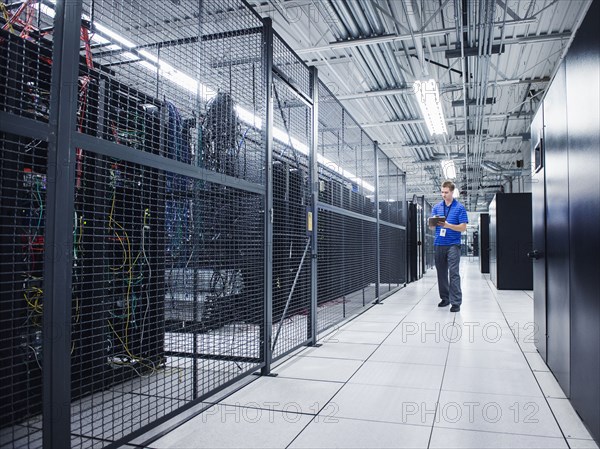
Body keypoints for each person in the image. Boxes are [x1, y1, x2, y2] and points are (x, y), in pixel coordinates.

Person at [429, 181, 468, 312]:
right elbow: (432, 226)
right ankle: (445, 299)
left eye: (446, 192)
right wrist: (432, 224)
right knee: (441, 273)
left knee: (454, 273)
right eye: (442, 192)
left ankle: (456, 302)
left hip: (453, 244)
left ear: (452, 192)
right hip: (439, 243)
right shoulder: (437, 207)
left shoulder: (459, 208)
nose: (443, 195)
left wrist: (448, 225)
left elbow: (463, 227)